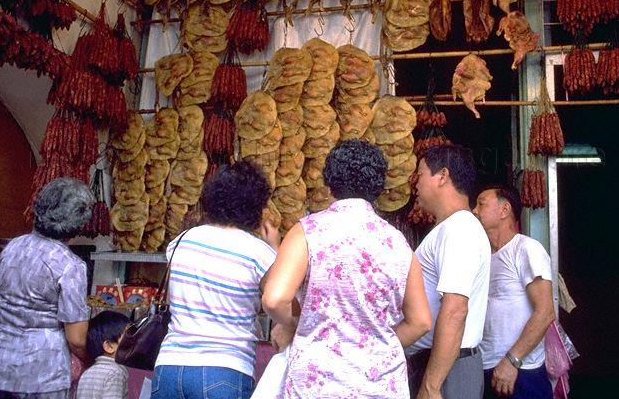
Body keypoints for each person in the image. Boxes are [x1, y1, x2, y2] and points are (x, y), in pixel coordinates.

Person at [262, 139, 433, 398]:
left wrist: (301, 324)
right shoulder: (398, 243)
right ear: (378, 188)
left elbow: (275, 298)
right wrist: (372, 347)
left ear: (329, 185)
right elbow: (420, 321)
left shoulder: (308, 232)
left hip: (318, 384)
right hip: (379, 386)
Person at [151, 160, 279, 399]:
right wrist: (276, 247)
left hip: (169, 366)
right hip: (224, 369)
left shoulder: (181, 241)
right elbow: (279, 301)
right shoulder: (259, 253)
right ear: (255, 207)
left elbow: (174, 297)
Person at [0, 177, 94, 399]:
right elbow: (76, 338)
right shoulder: (71, 266)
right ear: (78, 224)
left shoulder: (12, 248)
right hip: (42, 376)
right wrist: (90, 360)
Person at [407, 144, 491, 399]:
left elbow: (455, 310)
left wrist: (431, 386)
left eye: (420, 174)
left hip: (447, 370)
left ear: (442, 176)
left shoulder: (460, 229)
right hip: (441, 364)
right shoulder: (450, 229)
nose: (415, 184)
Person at [473, 185, 555, 399]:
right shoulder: (482, 257)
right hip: (487, 368)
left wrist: (512, 361)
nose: (474, 211)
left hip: (520, 372)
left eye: (481, 204)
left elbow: (545, 312)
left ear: (504, 210)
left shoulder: (526, 249)